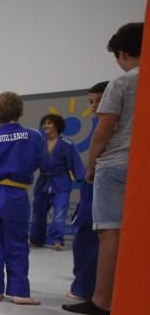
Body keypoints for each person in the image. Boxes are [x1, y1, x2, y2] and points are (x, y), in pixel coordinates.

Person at [64, 23, 142, 315]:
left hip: (116, 165)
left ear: (123, 53)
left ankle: (102, 299)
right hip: (141, 165)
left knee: (109, 232)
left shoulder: (122, 83)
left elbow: (103, 131)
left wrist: (91, 164)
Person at [0, 91, 44, 305]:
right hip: (16, 196)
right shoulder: (34, 137)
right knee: (17, 244)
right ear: (21, 111)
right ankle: (20, 292)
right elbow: (39, 162)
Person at [67, 82, 108, 300]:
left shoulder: (111, 128)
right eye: (91, 102)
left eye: (99, 101)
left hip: (100, 184)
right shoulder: (101, 126)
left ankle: (85, 288)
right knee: (86, 239)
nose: (93, 106)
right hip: (91, 185)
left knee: (90, 240)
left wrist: (90, 171)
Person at [29, 114, 85, 250]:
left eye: (49, 123)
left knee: (60, 212)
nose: (46, 126)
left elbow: (75, 163)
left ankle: (57, 240)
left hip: (61, 182)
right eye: (44, 123)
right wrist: (24, 173)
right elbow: (32, 163)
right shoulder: (39, 144)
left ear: (57, 126)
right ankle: (37, 239)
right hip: (43, 182)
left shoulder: (67, 144)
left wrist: (82, 181)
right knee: (38, 212)